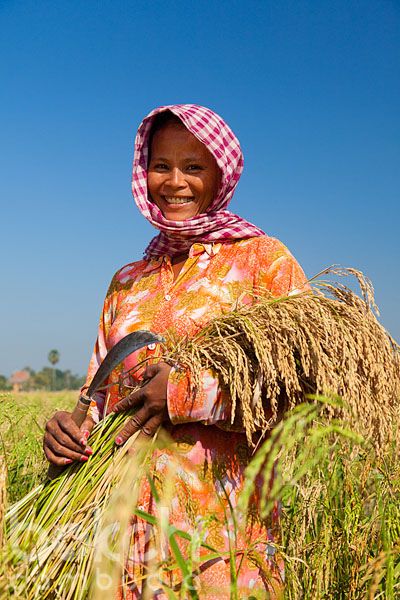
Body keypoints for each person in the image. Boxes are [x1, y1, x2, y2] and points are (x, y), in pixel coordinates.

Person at [44, 104, 308, 598]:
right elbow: (99, 396)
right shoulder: (128, 281)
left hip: (221, 543)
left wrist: (188, 394)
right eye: (161, 166)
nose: (175, 183)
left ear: (220, 174)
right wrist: (71, 429)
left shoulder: (263, 262)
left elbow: (302, 389)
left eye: (193, 167)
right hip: (124, 537)